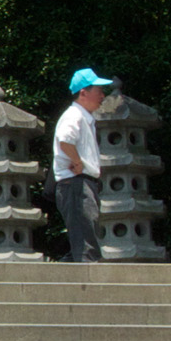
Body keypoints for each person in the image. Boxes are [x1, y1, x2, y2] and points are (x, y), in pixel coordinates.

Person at [52, 67, 115, 264]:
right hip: (76, 184)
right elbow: (65, 139)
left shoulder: (83, 117)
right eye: (99, 91)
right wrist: (77, 162)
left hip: (80, 184)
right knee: (86, 244)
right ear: (83, 92)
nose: (102, 96)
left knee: (83, 240)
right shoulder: (74, 115)